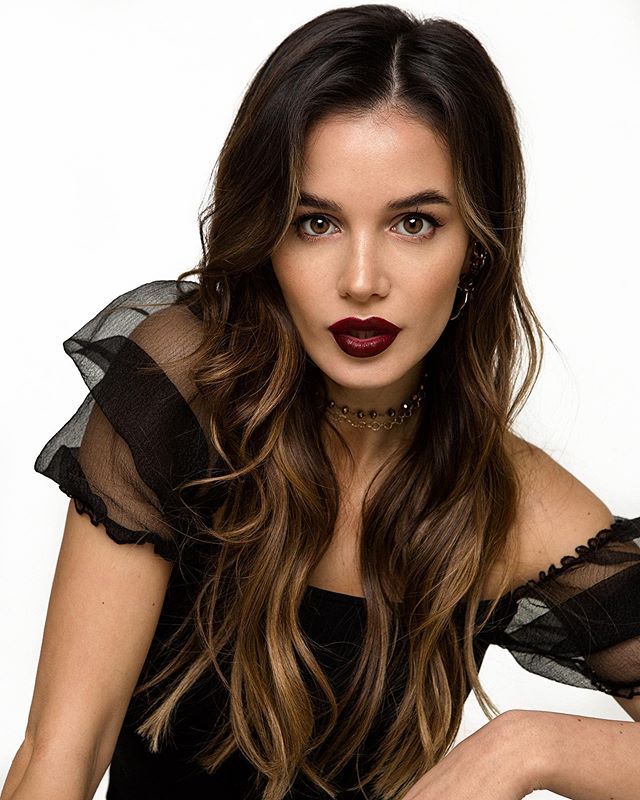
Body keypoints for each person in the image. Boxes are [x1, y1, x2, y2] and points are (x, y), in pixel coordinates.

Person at [4, 5, 639, 800]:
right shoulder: (184, 400)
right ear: (268, 237)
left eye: (414, 222)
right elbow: (60, 753)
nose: (361, 281)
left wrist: (527, 746)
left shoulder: (515, 509)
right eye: (316, 223)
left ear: (476, 246)